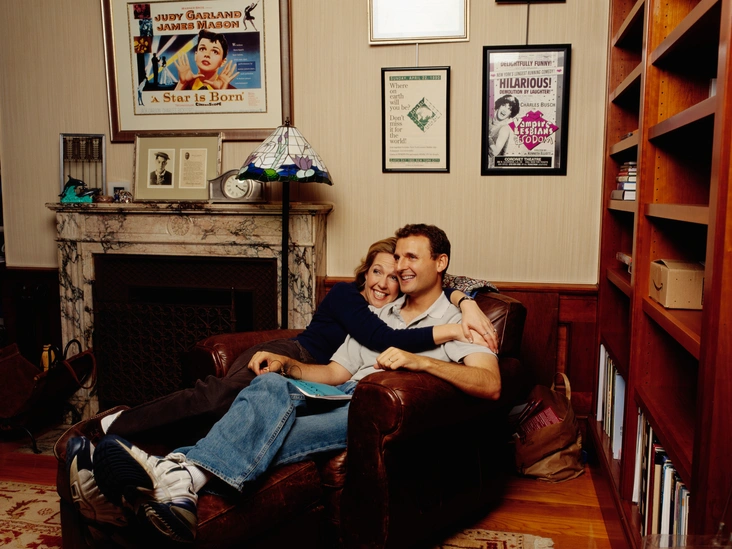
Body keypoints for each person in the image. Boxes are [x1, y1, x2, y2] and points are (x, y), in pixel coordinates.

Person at [82, 224, 501, 542]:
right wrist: (289, 366)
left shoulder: (460, 321)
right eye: (398, 257)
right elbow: (335, 372)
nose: (402, 266)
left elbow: (490, 384)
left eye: (412, 257)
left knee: (265, 429)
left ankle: (172, 474)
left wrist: (421, 361)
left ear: (440, 263)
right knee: (266, 385)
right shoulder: (380, 314)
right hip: (335, 393)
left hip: (365, 411)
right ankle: (176, 483)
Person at [488, 94, 520, 167]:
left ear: (510, 113)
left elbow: (495, 152)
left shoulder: (505, 129)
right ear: (499, 106)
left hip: (492, 169)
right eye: (503, 105)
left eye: (509, 109)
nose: (505, 110)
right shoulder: (489, 119)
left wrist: (486, 135)